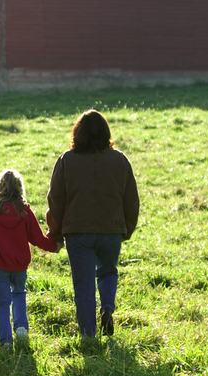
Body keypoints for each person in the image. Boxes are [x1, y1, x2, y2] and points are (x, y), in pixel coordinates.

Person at [46, 109, 139, 338]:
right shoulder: (120, 160)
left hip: (77, 231)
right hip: (112, 229)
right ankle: (107, 308)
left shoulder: (66, 161)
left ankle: (88, 335)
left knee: (84, 286)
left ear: (77, 134)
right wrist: (125, 228)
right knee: (108, 271)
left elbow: (56, 200)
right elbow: (131, 199)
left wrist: (55, 234)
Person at [0, 169, 60, 348]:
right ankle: (21, 327)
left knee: (1, 303)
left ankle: (5, 340)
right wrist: (54, 246)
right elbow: (37, 239)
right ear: (20, 188)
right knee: (19, 294)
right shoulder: (24, 212)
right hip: (19, 265)